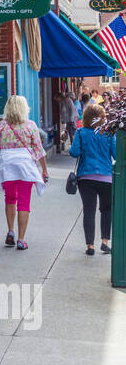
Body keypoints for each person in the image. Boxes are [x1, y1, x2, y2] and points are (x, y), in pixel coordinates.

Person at [0, 94, 49, 250]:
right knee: (24, 202)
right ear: (24, 108)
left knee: (9, 199)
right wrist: (44, 170)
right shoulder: (30, 125)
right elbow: (39, 150)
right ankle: (21, 240)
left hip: (7, 166)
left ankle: (10, 231)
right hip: (25, 167)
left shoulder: (1, 126)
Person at [70, 102, 116, 256]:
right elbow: (116, 154)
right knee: (106, 210)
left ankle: (90, 246)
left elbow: (74, 152)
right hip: (106, 177)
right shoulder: (109, 133)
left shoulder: (81, 132)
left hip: (86, 176)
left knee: (89, 211)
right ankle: (105, 242)